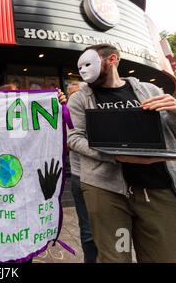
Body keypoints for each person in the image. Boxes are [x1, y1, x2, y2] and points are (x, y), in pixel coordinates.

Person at [68, 43, 176, 263]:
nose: (84, 71)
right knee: (113, 257)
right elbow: (75, 138)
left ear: (112, 59)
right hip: (106, 189)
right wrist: (113, 156)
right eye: (80, 67)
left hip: (159, 186)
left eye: (89, 63)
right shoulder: (80, 98)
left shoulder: (151, 91)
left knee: (163, 256)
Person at [67, 82, 98, 263]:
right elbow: (67, 143)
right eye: (71, 94)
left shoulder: (95, 108)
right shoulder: (68, 114)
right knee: (87, 229)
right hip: (81, 176)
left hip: (108, 177)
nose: (75, 97)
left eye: (79, 93)